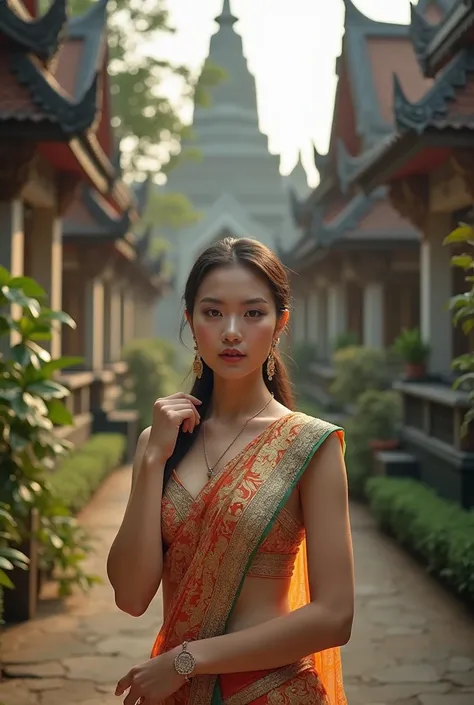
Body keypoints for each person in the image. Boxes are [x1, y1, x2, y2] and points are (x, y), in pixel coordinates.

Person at [108, 238, 354, 705]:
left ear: (281, 322)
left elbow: (335, 616)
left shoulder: (310, 445)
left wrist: (186, 659)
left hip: (271, 692)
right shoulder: (160, 441)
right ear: (190, 320)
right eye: (214, 312)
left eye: (254, 313)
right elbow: (130, 596)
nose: (232, 331)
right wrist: (150, 459)